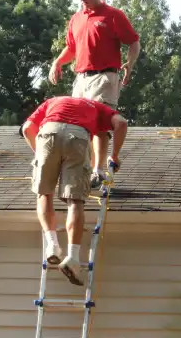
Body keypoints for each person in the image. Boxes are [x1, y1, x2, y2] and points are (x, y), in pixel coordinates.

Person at [21, 96, 128, 286]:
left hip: (48, 133)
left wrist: (40, 155)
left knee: (44, 193)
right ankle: (72, 257)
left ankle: (52, 246)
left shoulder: (53, 101)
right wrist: (115, 155)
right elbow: (121, 123)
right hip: (77, 137)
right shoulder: (100, 108)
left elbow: (27, 128)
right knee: (75, 201)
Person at [49, 0, 141, 189]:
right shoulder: (76, 18)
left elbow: (134, 42)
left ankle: (98, 170)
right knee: (77, 125)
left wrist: (130, 64)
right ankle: (82, 167)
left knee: (100, 123)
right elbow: (72, 48)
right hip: (81, 78)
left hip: (104, 77)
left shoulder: (113, 15)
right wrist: (57, 63)